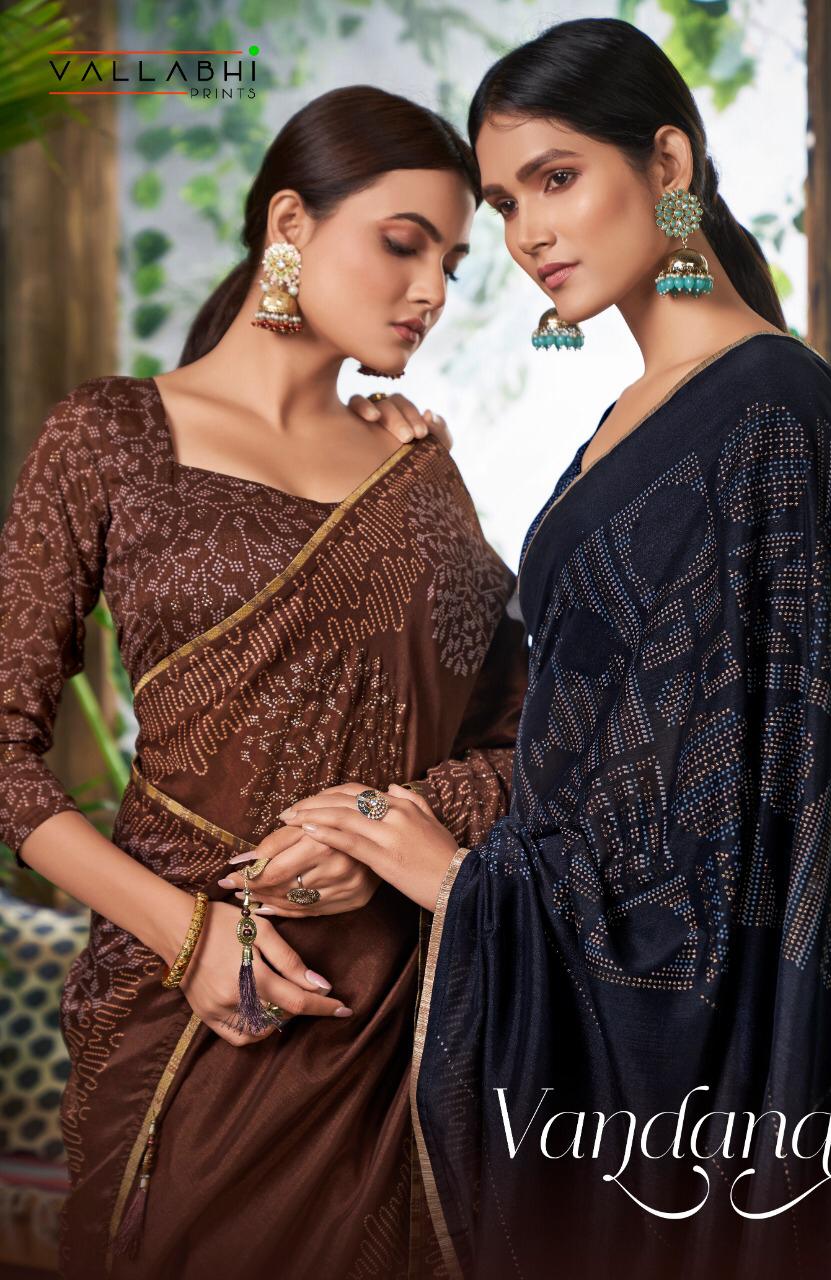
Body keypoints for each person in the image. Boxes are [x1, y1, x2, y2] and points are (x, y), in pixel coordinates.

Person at [283, 21, 831, 1279]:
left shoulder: (774, 410)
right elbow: (585, 694)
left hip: (697, 1052)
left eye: (556, 179)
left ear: (666, 164)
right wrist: (425, 495)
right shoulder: (633, 409)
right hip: (563, 962)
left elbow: (752, 820)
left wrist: (472, 889)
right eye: (506, 203)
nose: (527, 234)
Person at [0, 86, 528, 1278]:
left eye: (451, 263)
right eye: (403, 244)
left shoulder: (415, 472)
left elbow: (524, 731)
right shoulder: (110, 437)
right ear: (291, 222)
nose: (433, 291)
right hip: (180, 1014)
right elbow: (5, 750)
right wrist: (189, 937)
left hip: (393, 1013)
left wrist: (390, 822)